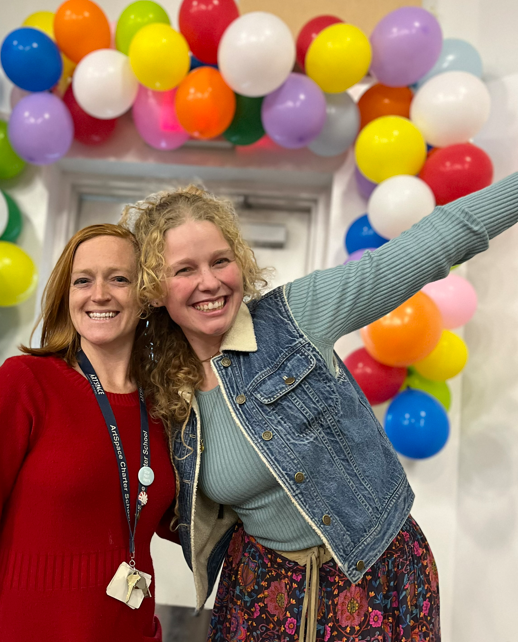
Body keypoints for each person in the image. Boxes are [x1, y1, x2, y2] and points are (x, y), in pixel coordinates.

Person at [120, 173, 518, 642]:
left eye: (220, 261)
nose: (209, 282)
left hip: (372, 572)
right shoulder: (162, 387)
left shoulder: (297, 316)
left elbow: (438, 240)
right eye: (184, 270)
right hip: (259, 590)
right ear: (154, 287)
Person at [0, 224, 176, 642]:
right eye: (83, 280)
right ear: (68, 295)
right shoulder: (26, 382)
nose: (99, 293)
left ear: (147, 297)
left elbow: (185, 522)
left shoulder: (166, 404)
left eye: (119, 278)